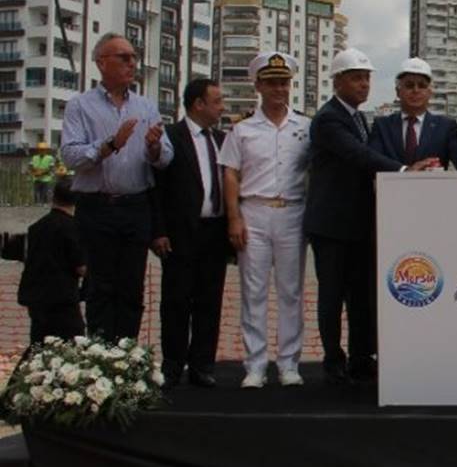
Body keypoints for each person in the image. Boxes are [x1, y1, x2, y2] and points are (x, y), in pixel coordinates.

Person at [307, 48, 416, 386]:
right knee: (332, 295)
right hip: (331, 224)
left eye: (367, 78)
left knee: (360, 295)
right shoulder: (329, 119)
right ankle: (333, 359)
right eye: (356, 78)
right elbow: (358, 155)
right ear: (338, 81)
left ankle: (360, 357)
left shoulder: (357, 117)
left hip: (358, 223)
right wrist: (402, 170)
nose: (364, 84)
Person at [60, 32, 174, 341]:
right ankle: (102, 357)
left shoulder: (146, 107)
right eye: (123, 57)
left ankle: (127, 356)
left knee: (131, 289)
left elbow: (166, 157)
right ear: (101, 63)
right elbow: (70, 156)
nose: (131, 63)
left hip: (135, 207)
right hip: (97, 207)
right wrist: (109, 145)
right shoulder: (80, 106)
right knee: (100, 288)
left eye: (134, 57)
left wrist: (154, 148)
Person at [219, 51, 309, 389]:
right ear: (258, 86)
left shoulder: (305, 127)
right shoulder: (242, 129)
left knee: (291, 292)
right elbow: (231, 173)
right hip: (254, 212)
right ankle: (255, 365)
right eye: (271, 83)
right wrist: (233, 217)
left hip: (293, 212)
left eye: (284, 83)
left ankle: (289, 364)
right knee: (253, 291)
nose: (278, 89)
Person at [150, 79, 231, 388]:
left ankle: (202, 365)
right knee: (176, 301)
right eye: (217, 101)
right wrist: (158, 231)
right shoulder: (171, 137)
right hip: (180, 233)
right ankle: (173, 365)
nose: (222, 107)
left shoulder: (222, 140)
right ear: (198, 104)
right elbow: (156, 189)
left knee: (210, 301)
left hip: (215, 232)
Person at [370, 58, 457, 170]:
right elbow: (374, 161)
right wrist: (404, 170)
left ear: (430, 92)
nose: (416, 90)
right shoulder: (382, 126)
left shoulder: (446, 127)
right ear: (398, 91)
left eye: (422, 86)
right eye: (409, 85)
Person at [17, 179, 86, 345]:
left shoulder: (36, 227)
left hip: (36, 297)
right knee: (71, 344)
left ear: (53, 197)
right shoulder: (73, 228)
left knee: (39, 345)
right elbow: (81, 267)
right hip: (62, 298)